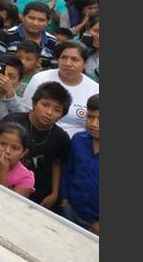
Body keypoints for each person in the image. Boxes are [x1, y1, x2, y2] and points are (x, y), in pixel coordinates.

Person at [2, 81, 72, 208]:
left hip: (40, 194)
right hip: (6, 183)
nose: (49, 112)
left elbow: (57, 163)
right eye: (45, 105)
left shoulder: (61, 137)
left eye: (57, 110)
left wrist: (54, 193)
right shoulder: (12, 122)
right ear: (34, 103)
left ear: (62, 115)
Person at [22, 41, 99, 137]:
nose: (68, 63)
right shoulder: (40, 79)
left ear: (85, 64)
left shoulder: (95, 89)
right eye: (64, 58)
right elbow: (24, 111)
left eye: (74, 59)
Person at [59, 94, 99, 235]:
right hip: (71, 210)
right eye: (90, 117)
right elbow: (67, 170)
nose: (94, 124)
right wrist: (64, 199)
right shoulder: (78, 140)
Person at [0, 2, 59, 67]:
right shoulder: (6, 35)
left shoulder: (53, 42)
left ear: (48, 22)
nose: (35, 23)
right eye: (31, 18)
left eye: (41, 20)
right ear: (23, 17)